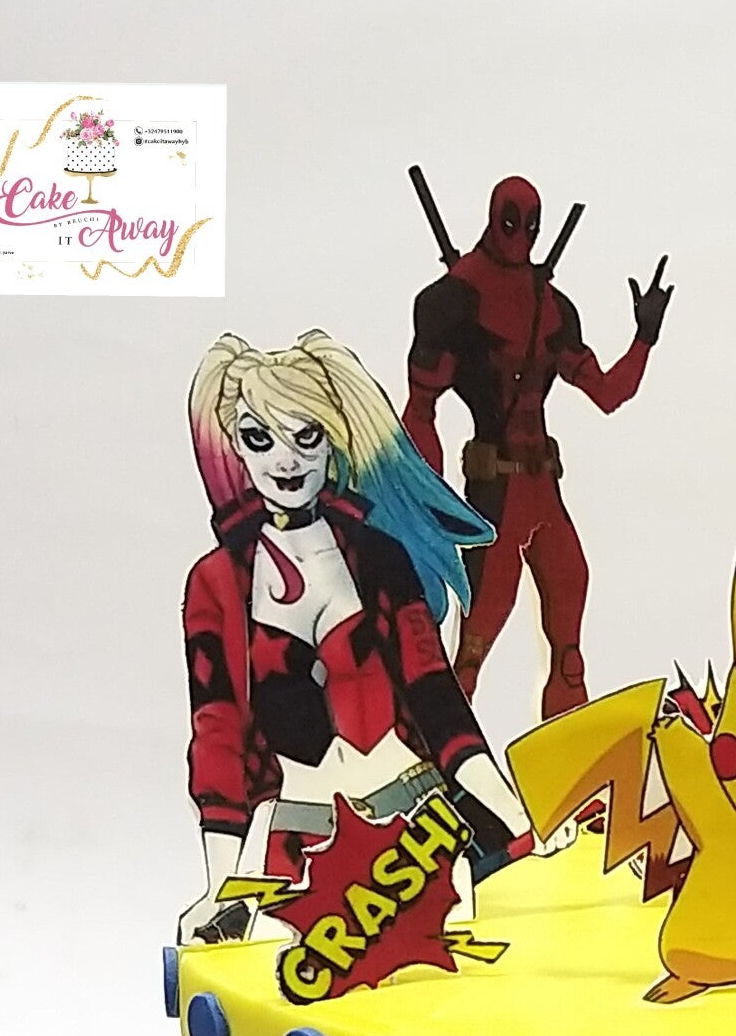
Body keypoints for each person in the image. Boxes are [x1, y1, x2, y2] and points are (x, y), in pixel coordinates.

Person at [179, 329, 530, 942]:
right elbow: (218, 732)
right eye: (260, 439)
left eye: (306, 436)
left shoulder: (379, 556)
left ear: (334, 439)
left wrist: (514, 814)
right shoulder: (216, 583)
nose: (286, 462)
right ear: (235, 444)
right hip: (298, 848)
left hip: (418, 834)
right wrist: (220, 884)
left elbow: (437, 698)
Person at [404, 177, 672, 721]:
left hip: (543, 492)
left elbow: (607, 393)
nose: (521, 236)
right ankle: (440, 747)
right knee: (475, 645)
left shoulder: (551, 306)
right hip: (494, 496)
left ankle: (569, 748)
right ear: (493, 218)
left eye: (531, 226)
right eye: (512, 223)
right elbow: (420, 410)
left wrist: (644, 338)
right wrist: (429, 507)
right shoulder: (451, 302)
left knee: (569, 642)